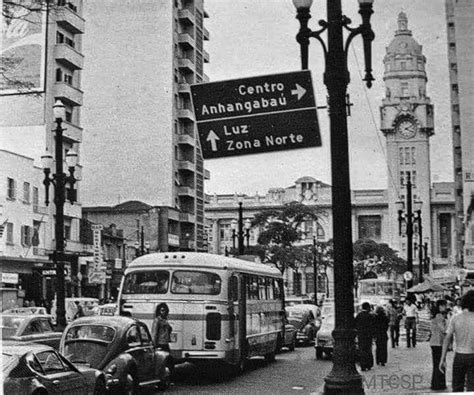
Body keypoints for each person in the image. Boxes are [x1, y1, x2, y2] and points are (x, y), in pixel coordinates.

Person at [439, 290, 474, 392]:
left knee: (457, 387)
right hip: (473, 356)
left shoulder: (455, 318)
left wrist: (442, 358)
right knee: (472, 388)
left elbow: (447, 339)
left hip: (459, 356)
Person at [430, 299, 448, 391]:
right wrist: (448, 323)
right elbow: (443, 329)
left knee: (436, 363)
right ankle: (439, 384)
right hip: (438, 343)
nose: (446, 307)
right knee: (440, 363)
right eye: (444, 305)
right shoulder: (439, 316)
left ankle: (436, 383)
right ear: (440, 306)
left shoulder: (434, 316)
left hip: (434, 342)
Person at [355, 302, 375, 371]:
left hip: (361, 335)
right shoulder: (370, 316)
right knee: (368, 350)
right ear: (367, 308)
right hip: (368, 336)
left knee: (362, 350)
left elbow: (355, 325)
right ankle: (368, 364)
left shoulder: (359, 315)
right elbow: (373, 326)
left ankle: (363, 365)